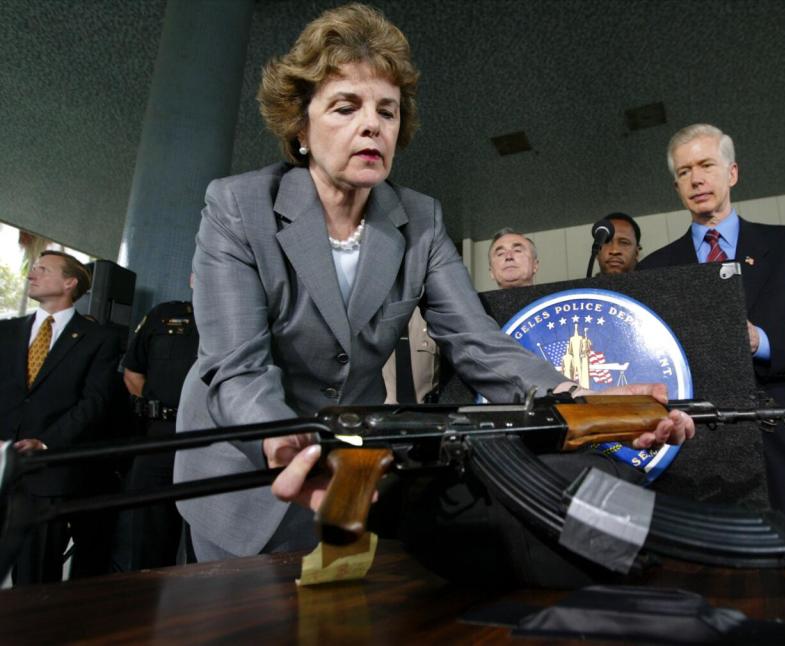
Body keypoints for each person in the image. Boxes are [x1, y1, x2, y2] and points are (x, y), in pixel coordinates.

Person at [175, 3, 694, 565]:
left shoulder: (420, 221)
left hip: (352, 474)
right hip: (244, 473)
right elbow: (236, 365)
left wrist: (576, 401)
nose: (372, 124)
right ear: (300, 127)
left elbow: (477, 341)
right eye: (346, 106)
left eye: (388, 111)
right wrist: (283, 439)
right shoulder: (236, 206)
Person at [639, 123, 785, 551]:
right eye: (683, 172)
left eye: (706, 165)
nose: (695, 179)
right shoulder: (655, 271)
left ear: (732, 173)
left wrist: (759, 340)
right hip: (700, 452)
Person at [0, 251, 123, 584]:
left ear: (70, 283)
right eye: (33, 268)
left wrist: (47, 442)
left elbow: (94, 402)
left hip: (49, 474)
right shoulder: (6, 332)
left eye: (42, 269)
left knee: (34, 577)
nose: (31, 274)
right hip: (1, 464)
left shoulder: (100, 339)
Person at [116, 280, 198, 570]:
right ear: (191, 277)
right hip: (159, 437)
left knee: (203, 542)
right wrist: (159, 410)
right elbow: (133, 372)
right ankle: (145, 607)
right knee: (146, 539)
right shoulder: (164, 315)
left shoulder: (244, 319)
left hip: (212, 441)